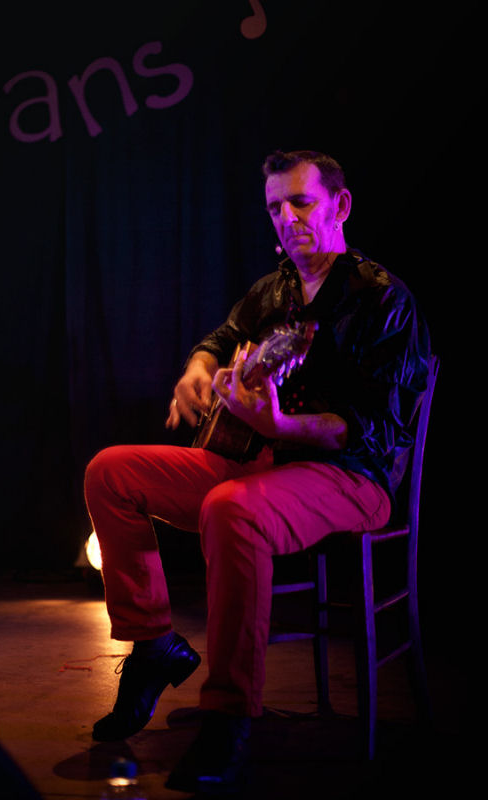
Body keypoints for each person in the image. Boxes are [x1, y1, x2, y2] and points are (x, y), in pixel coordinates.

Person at [84, 149, 431, 793]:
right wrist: (196, 371)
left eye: (300, 201)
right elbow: (220, 339)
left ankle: (229, 713)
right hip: (259, 463)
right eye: (275, 207)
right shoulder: (274, 291)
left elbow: (376, 428)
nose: (287, 218)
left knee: (231, 508)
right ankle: (153, 644)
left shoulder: (383, 299)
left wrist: (281, 425)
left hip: (352, 476)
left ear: (339, 206)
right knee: (111, 472)